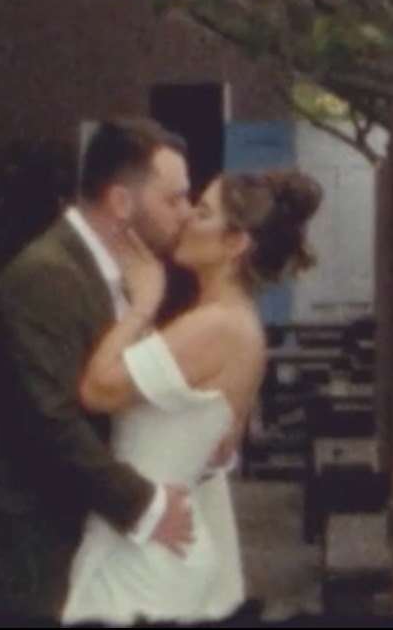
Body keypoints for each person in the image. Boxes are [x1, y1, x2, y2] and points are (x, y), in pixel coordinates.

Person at [0, 118, 201, 625]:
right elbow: (50, 420)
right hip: (6, 565)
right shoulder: (46, 276)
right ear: (121, 202)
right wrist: (146, 506)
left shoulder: (111, 274)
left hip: (49, 559)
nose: (186, 214)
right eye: (174, 199)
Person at [59, 167, 325, 626]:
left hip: (149, 555)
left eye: (203, 212)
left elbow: (98, 389)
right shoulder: (237, 323)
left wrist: (144, 301)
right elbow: (221, 449)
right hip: (159, 536)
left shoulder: (216, 325)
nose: (186, 220)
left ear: (235, 243)